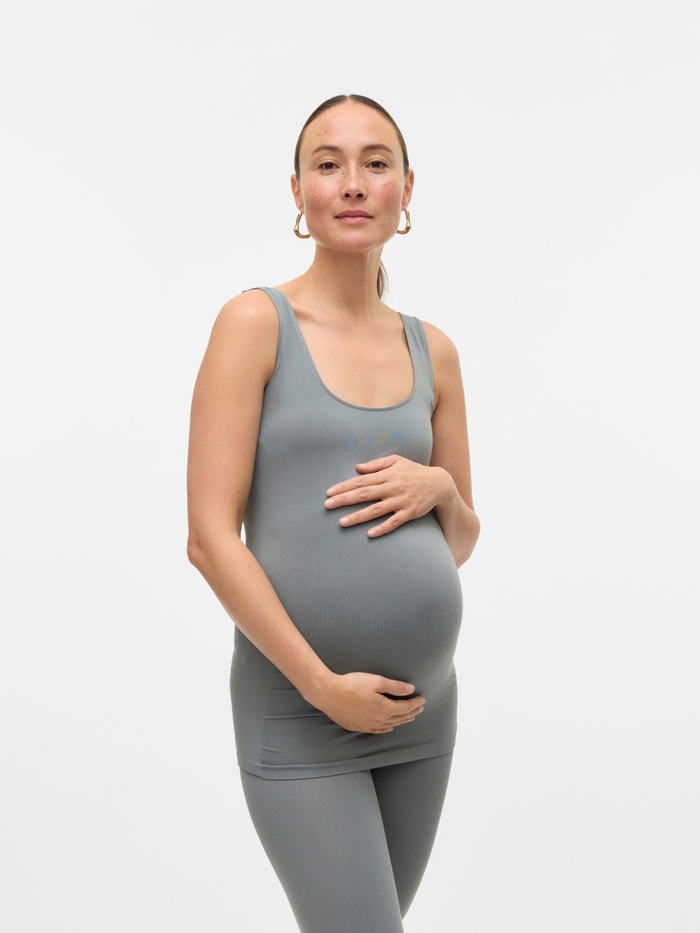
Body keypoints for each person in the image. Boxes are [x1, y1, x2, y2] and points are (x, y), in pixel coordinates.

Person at [186, 93, 480, 932]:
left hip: (422, 712)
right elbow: (210, 539)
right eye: (328, 164)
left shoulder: (434, 349)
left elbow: (461, 540)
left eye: (376, 163)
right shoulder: (255, 323)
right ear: (298, 192)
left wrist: (442, 489)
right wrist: (321, 687)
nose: (353, 183)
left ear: (406, 189)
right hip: (301, 708)